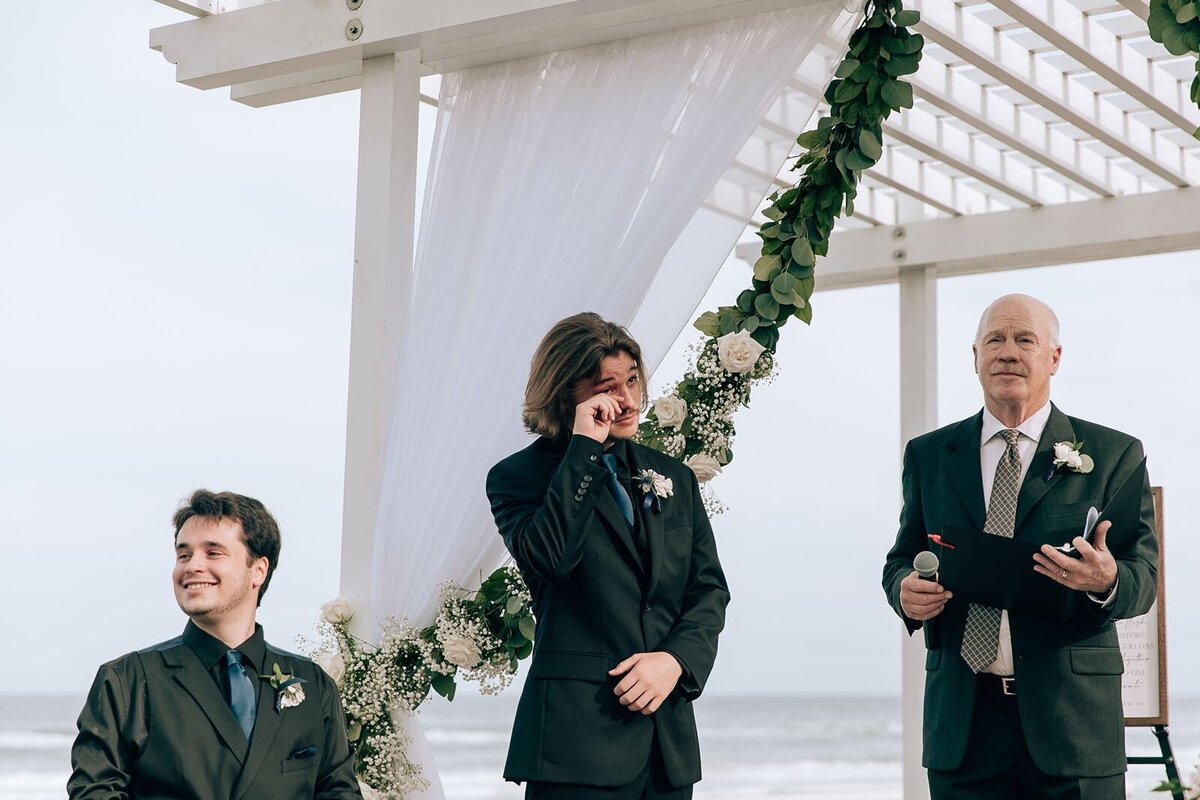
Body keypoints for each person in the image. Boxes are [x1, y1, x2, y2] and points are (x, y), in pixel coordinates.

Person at [882, 294, 1158, 799]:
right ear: (975, 357)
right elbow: (901, 557)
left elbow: (1143, 576)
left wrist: (1107, 579)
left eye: (1024, 339)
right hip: (963, 726)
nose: (1008, 352)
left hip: (1073, 725)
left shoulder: (1115, 453)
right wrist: (904, 590)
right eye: (995, 339)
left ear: (1053, 357)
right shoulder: (928, 456)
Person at [487, 312, 730, 799]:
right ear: (566, 393)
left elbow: (709, 590)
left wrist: (675, 660)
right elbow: (550, 561)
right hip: (575, 749)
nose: (627, 401)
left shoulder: (674, 478)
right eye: (607, 387)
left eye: (633, 381)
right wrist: (583, 449)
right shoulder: (516, 478)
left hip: (667, 750)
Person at [68, 489, 362, 800]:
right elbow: (94, 794)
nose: (192, 566)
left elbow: (338, 792)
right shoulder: (127, 681)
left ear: (258, 570)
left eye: (213, 552)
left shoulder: (313, 684)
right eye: (184, 554)